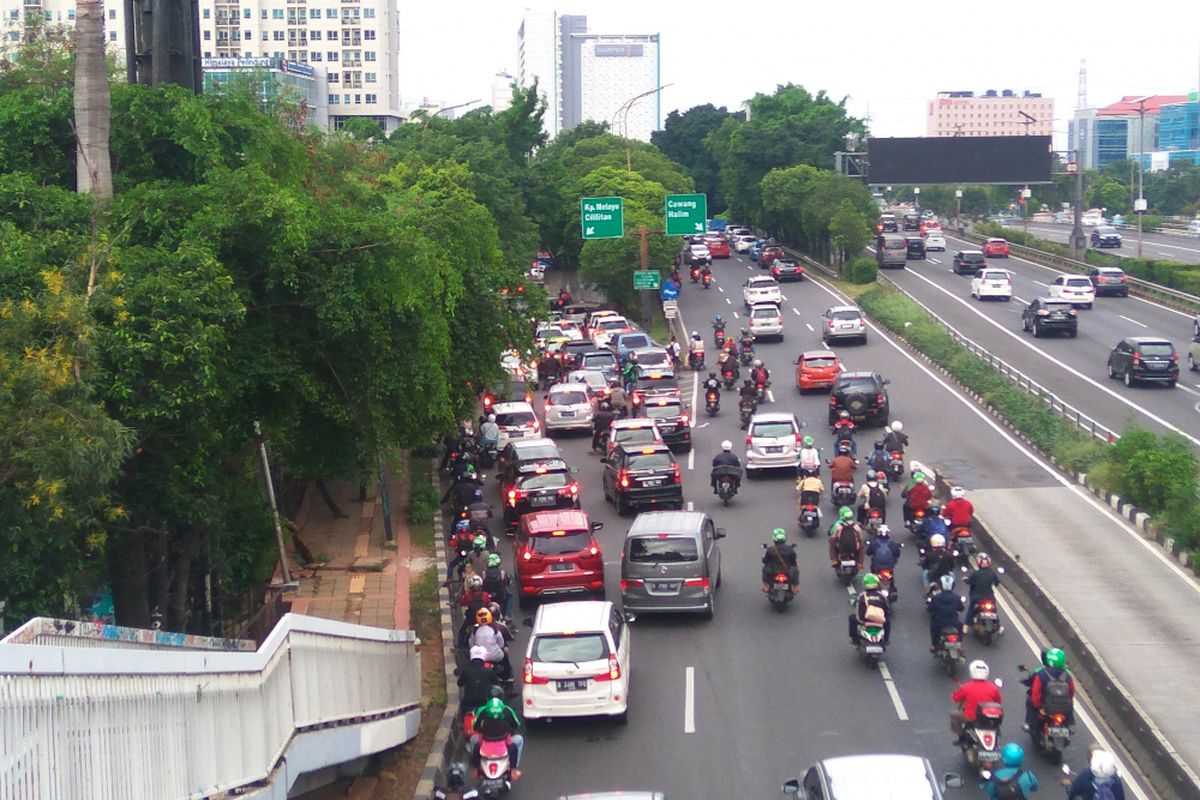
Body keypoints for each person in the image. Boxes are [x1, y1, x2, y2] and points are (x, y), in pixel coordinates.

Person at [1022, 646, 1076, 733]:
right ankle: (1069, 724)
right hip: (1064, 708)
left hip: (1046, 707)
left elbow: (1035, 694)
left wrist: (1039, 708)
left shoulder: (1042, 674)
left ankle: (1030, 724)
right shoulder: (1067, 675)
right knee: (1071, 703)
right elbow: (1071, 693)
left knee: (1030, 701)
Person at [471, 696, 525, 780]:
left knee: (475, 744)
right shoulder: (505, 726)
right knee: (515, 744)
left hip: (485, 753)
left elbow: (479, 742)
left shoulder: (484, 725)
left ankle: (476, 769)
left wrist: (475, 767)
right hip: (502, 752)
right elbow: (510, 742)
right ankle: (513, 770)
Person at [951, 660, 1003, 741]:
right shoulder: (993, 688)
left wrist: (955, 693)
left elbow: (955, 698)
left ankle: (961, 737)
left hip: (970, 717)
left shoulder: (966, 687)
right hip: (988, 717)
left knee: (954, 715)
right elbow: (998, 702)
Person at [926, 573, 966, 650]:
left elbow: (930, 609)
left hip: (939, 622)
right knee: (960, 627)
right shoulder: (956, 597)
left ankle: (933, 645)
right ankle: (960, 644)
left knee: (933, 628)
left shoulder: (936, 598)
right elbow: (961, 608)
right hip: (953, 622)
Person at [458, 646, 502, 717]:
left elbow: (459, 683)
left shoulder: (466, 670)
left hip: (469, 701)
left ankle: (462, 722)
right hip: (484, 701)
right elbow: (497, 684)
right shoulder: (489, 671)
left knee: (463, 705)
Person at [965, 552, 1004, 632]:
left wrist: (966, 580)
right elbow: (996, 583)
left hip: (977, 597)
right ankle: (999, 626)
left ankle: (966, 625)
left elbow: (969, 582)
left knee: (971, 608)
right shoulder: (993, 574)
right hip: (989, 596)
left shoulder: (975, 573)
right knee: (994, 609)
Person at [849, 572, 891, 644]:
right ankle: (886, 640)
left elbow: (858, 610)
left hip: (864, 621)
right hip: (879, 621)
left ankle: (855, 639)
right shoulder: (882, 596)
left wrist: (861, 620)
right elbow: (887, 609)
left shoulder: (862, 596)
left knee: (851, 618)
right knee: (888, 622)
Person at [761, 528, 799, 594]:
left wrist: (764, 560)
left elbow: (766, 560)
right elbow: (793, 560)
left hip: (773, 570)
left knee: (765, 569)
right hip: (787, 570)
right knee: (796, 570)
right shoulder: (790, 549)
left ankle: (766, 586)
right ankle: (795, 587)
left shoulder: (770, 550)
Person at [482, 553, 513, 624]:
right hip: (501, 597)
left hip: (489, 597)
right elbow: (508, 583)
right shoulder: (502, 573)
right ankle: (508, 615)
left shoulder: (484, 573)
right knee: (510, 596)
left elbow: (482, 585)